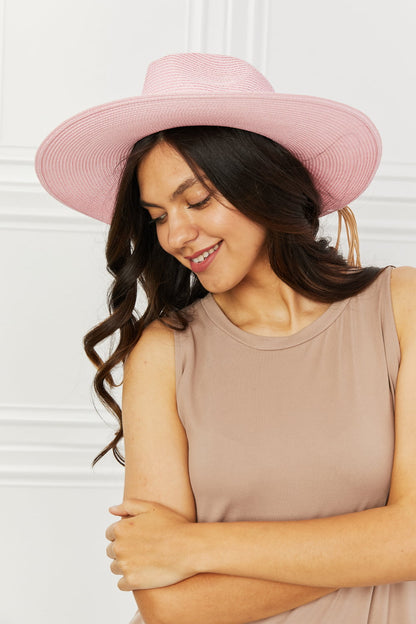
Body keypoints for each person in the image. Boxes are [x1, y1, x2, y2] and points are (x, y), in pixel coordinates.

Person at [35, 53, 416, 624]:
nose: (177, 234)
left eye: (197, 200)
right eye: (158, 215)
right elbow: (166, 603)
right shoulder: (164, 351)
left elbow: (411, 542)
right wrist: (370, 549)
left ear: (263, 184)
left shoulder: (401, 307)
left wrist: (193, 546)